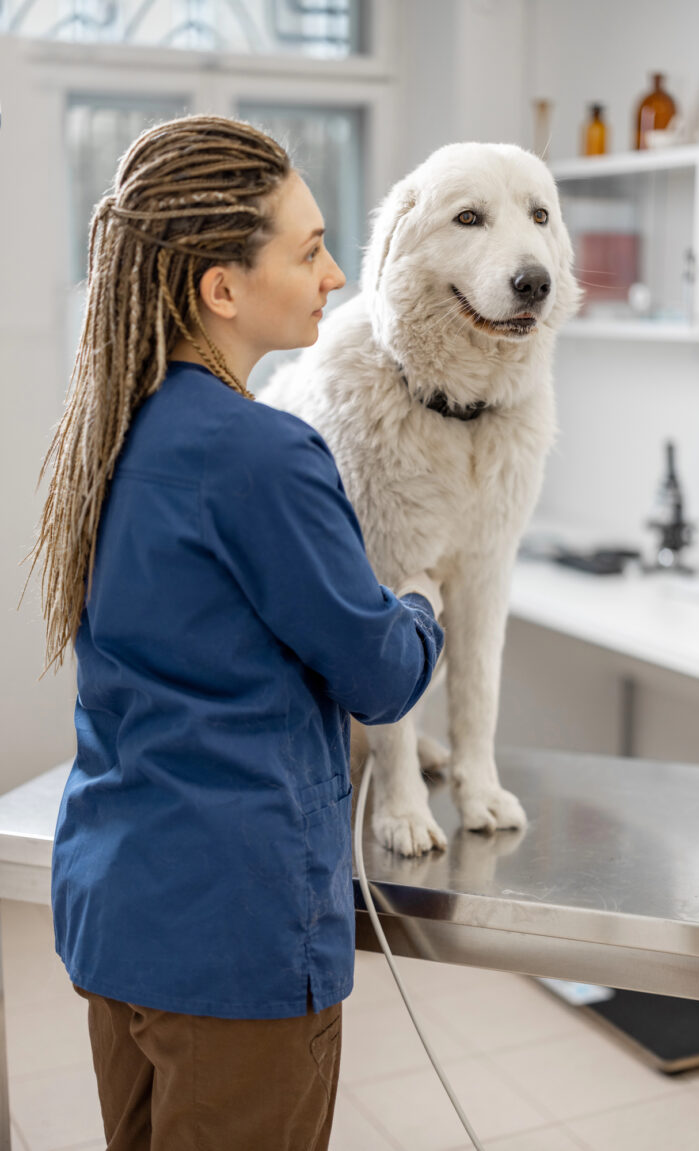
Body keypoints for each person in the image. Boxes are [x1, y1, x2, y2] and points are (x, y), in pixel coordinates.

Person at [27, 115, 444, 1151]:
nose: (336, 273)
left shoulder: (111, 426)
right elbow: (380, 672)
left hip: (120, 909)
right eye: (307, 251)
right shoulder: (263, 454)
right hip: (233, 934)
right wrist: (426, 599)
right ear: (221, 287)